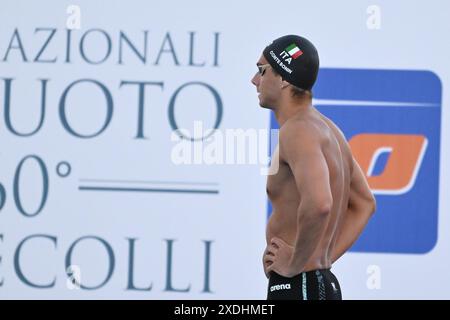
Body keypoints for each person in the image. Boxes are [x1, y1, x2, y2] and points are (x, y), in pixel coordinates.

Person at [251, 35, 376, 300]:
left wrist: (296, 264)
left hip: (300, 284)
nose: (254, 80)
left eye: (262, 71)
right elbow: (364, 203)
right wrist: (320, 260)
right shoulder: (329, 130)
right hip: (317, 282)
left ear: (284, 79)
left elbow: (320, 203)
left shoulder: (297, 131)